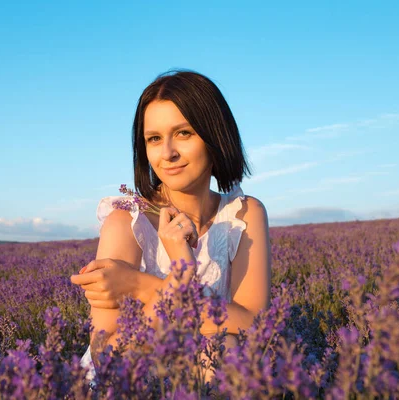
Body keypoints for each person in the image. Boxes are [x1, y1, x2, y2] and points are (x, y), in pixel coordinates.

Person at [70, 69, 271, 384]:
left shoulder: (243, 215)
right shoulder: (126, 222)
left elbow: (257, 325)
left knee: (220, 351)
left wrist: (146, 286)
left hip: (208, 372)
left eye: (183, 133)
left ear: (215, 134)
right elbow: (104, 351)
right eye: (154, 139)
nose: (167, 153)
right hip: (128, 377)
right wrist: (179, 286)